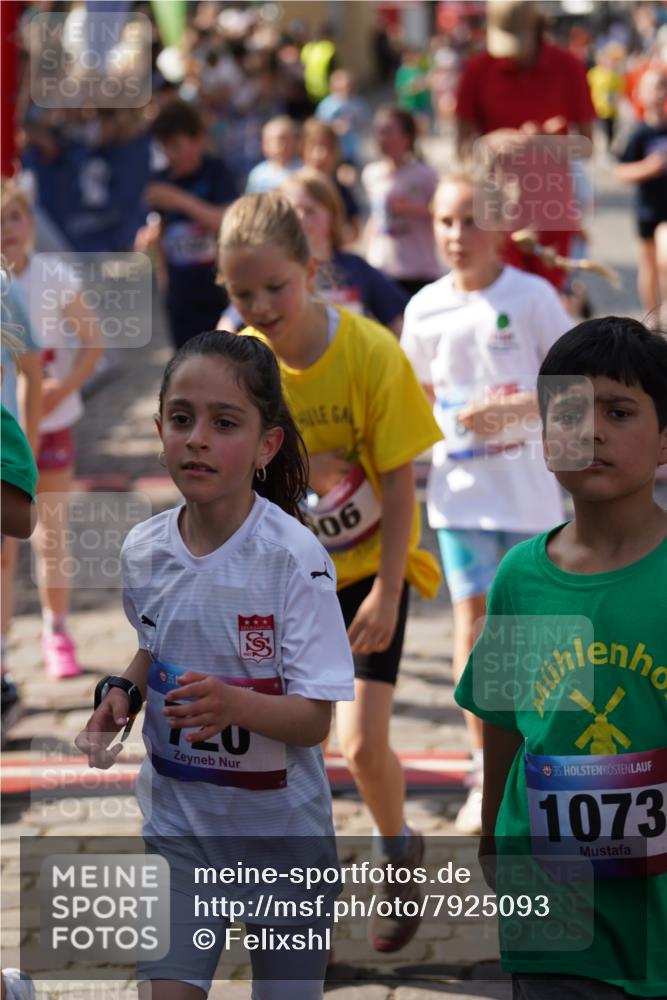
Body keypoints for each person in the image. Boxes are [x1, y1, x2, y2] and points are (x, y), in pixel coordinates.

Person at [76, 330, 355, 999]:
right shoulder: (144, 549)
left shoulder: (294, 559)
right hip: (180, 835)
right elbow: (156, 643)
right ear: (159, 429)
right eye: (182, 418)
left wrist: (234, 705)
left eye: (224, 423)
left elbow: (314, 720)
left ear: (266, 446)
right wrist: (123, 691)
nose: (197, 439)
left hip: (283, 843)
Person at [217, 192, 443, 954]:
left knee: (360, 745)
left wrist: (388, 590)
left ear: (312, 270)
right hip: (286, 585)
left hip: (367, 575)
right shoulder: (240, 365)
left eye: (274, 287)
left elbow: (401, 483)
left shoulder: (371, 352)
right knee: (288, 755)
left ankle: (398, 849)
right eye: (242, 292)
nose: (259, 305)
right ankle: (298, 913)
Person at [454, 316, 667, 998]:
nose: (592, 430)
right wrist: (493, 833)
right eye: (569, 412)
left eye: (619, 412)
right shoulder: (520, 577)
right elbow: (502, 719)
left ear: (665, 437)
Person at [401, 172, 571, 834]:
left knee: (538, 639)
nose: (455, 234)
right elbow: (413, 395)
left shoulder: (532, 297)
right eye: (445, 221)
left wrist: (518, 409)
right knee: (474, 631)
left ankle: (546, 767)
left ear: (501, 226)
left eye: (470, 220)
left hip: (530, 502)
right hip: (460, 502)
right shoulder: (424, 308)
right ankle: (483, 772)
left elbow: (576, 386)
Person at [1, 182, 104, 680]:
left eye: (14, 217)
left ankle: (56, 631)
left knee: (51, 536)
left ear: (30, 222)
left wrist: (62, 388)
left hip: (52, 424)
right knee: (4, 550)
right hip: (7, 435)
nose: (7, 229)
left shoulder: (54, 276)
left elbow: (93, 342)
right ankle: (3, 651)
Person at [455, 0, 596, 291]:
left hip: (552, 210)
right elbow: (463, 150)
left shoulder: (568, 66)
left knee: (550, 297)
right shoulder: (478, 68)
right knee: (504, 299)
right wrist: (491, 142)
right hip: (497, 212)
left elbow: (587, 147)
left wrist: (539, 142)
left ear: (536, 28)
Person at [135, 99, 237, 350]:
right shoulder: (160, 181)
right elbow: (156, 229)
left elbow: (228, 221)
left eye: (176, 146)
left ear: (198, 139)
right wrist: (148, 237)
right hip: (181, 296)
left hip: (219, 291)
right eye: (164, 147)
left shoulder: (216, 172)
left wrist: (179, 200)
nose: (171, 155)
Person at [281, 168, 407, 336]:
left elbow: (398, 322)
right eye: (294, 210)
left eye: (310, 210)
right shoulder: (277, 273)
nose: (302, 217)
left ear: (332, 214)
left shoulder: (355, 267)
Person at [361, 106, 440, 299]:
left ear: (407, 137)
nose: (381, 138)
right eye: (378, 132)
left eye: (388, 132)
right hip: (382, 268)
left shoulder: (425, 174)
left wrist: (410, 209)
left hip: (418, 270)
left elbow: (442, 211)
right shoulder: (371, 174)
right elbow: (375, 216)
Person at [616, 67, 667, 327]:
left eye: (662, 86)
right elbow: (622, 172)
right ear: (639, 94)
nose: (658, 93)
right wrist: (648, 167)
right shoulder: (638, 133)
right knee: (648, 265)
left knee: (664, 255)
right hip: (647, 208)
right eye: (652, 87)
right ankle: (652, 317)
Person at [301, 118, 361, 242]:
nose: (319, 155)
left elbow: (355, 230)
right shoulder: (293, 188)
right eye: (312, 147)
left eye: (326, 147)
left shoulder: (340, 188)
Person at [315, 69, 370, 168]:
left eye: (350, 87)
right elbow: (319, 128)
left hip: (355, 149)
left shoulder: (358, 103)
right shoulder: (327, 105)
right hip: (336, 150)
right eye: (344, 88)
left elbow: (366, 123)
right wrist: (334, 127)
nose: (348, 91)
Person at [245, 115, 302, 194]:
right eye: (271, 141)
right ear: (263, 144)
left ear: (294, 141)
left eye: (283, 139)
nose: (278, 145)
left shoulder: (304, 171)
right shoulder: (257, 176)